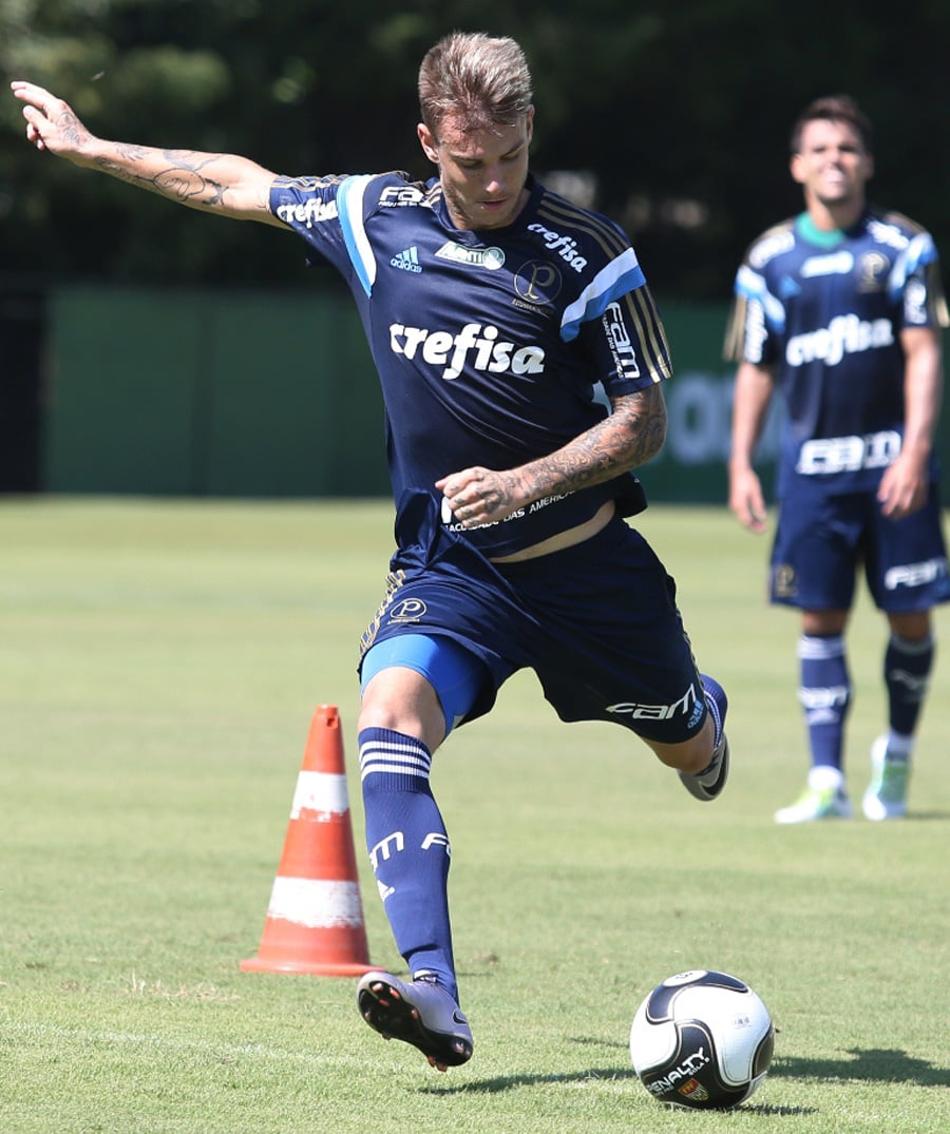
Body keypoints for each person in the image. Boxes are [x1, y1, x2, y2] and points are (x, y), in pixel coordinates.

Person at [12, 31, 730, 1071]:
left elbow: (641, 424)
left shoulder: (590, 252)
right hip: (453, 574)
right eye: (466, 160)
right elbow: (237, 185)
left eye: (508, 158)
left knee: (691, 759)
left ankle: (698, 715)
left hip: (589, 572)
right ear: (427, 140)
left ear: (529, 131)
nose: (489, 181)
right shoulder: (370, 214)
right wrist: (90, 147)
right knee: (387, 715)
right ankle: (432, 985)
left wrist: (522, 483)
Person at [726, 94, 949, 825]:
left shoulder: (903, 247)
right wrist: (740, 464)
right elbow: (756, 367)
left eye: (847, 149)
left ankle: (898, 756)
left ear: (868, 164)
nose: (834, 161)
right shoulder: (769, 260)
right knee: (818, 622)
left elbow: (924, 352)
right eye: (820, 149)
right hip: (815, 477)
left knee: (910, 620)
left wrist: (916, 450)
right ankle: (826, 779)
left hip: (895, 471)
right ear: (797, 166)